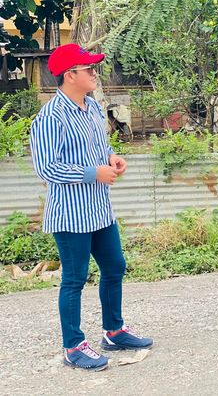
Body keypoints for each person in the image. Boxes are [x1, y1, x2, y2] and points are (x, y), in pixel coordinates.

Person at [30, 43, 153, 371]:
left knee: (115, 267)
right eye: (89, 69)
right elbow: (46, 168)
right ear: (70, 75)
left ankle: (114, 331)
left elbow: (99, 146)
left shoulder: (94, 108)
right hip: (70, 214)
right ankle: (73, 346)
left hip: (99, 209)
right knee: (74, 279)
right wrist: (92, 173)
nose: (95, 73)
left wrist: (111, 157)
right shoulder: (50, 117)